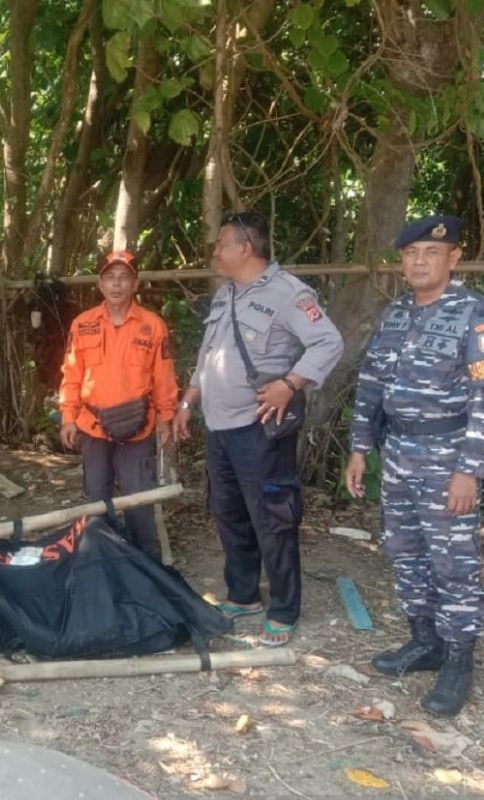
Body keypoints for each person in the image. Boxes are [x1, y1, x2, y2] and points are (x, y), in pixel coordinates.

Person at [345, 215, 484, 717]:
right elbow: (372, 383)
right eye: (411, 253)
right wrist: (359, 446)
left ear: (453, 258)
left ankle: (458, 659)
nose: (419, 261)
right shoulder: (395, 313)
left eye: (431, 253)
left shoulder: (475, 315)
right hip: (398, 454)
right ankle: (426, 641)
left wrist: (471, 469)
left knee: (453, 561)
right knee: (406, 551)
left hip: (448, 457)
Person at [175, 211, 343, 647]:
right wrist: (187, 401)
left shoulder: (289, 293)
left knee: (272, 519)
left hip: (259, 428)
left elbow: (328, 341)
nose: (215, 252)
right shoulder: (226, 295)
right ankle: (244, 595)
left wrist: (290, 384)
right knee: (229, 512)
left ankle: (284, 610)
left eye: (221, 244)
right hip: (220, 426)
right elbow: (207, 355)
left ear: (245, 248)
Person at [57, 249, 179, 555]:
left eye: (124, 278)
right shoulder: (82, 324)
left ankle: (145, 566)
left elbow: (164, 376)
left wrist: (166, 417)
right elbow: (71, 373)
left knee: (139, 500)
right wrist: (68, 416)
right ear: (100, 284)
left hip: (137, 430)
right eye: (110, 277)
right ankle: (100, 561)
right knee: (96, 501)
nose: (116, 284)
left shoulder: (152, 326)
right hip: (93, 427)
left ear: (135, 284)